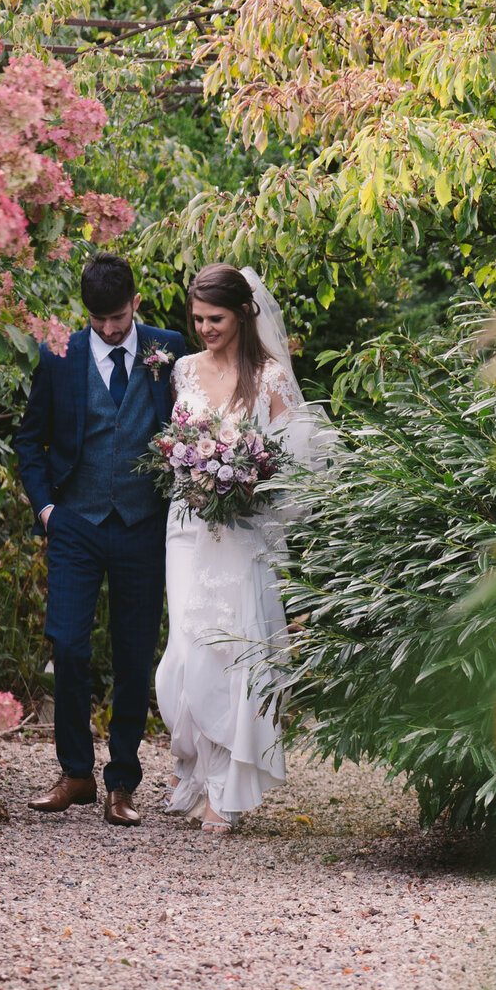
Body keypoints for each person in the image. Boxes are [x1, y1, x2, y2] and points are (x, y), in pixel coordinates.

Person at [155, 263, 332, 833]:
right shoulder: (182, 370)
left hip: (242, 531)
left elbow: (297, 461)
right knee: (185, 653)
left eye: (217, 319)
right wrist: (190, 465)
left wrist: (246, 478)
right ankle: (198, 768)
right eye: (199, 318)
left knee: (233, 653)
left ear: (245, 314)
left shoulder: (271, 378)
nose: (205, 328)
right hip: (186, 527)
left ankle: (225, 790)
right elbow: (176, 442)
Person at [11, 254, 187, 826]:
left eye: (117, 316)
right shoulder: (58, 354)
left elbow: (197, 426)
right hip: (75, 525)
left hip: (143, 527)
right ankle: (76, 774)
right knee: (68, 644)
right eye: (98, 320)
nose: (109, 329)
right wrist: (46, 510)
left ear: (135, 302)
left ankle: (123, 783)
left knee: (134, 655)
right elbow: (29, 439)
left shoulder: (170, 350)